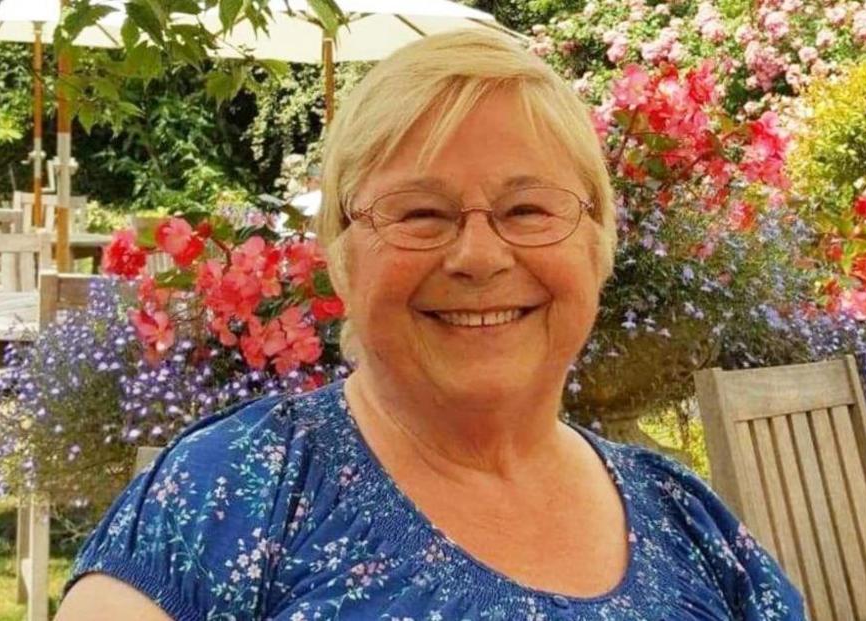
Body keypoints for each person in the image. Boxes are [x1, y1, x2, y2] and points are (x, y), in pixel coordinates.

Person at [56, 29, 804, 620]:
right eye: (420, 213)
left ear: (598, 241)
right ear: (343, 254)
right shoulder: (234, 489)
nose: (478, 255)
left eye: (528, 209)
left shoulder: (687, 521)